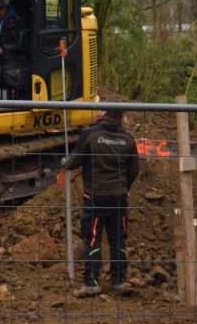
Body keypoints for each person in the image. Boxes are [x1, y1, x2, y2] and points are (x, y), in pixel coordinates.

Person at [63, 108, 140, 297]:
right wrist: (123, 187)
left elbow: (74, 162)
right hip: (119, 198)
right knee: (118, 238)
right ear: (121, 116)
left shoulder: (90, 134)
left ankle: (91, 282)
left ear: (103, 113)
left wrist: (65, 162)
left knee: (92, 237)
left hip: (95, 197)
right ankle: (119, 281)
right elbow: (134, 169)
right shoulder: (128, 138)